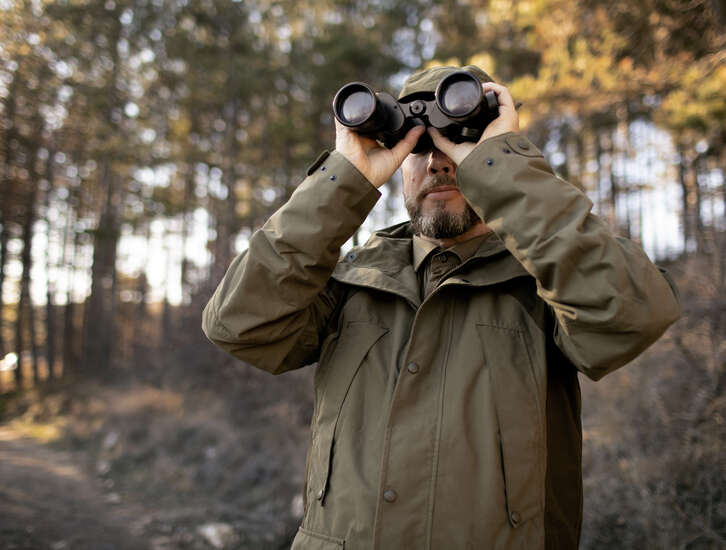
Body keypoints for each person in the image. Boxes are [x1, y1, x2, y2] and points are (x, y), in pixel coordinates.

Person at [202, 65, 680, 550]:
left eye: (458, 140)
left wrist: (503, 167)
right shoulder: (348, 284)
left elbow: (630, 315)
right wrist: (342, 181)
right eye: (420, 148)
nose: (439, 162)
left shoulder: (544, 282)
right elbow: (237, 323)